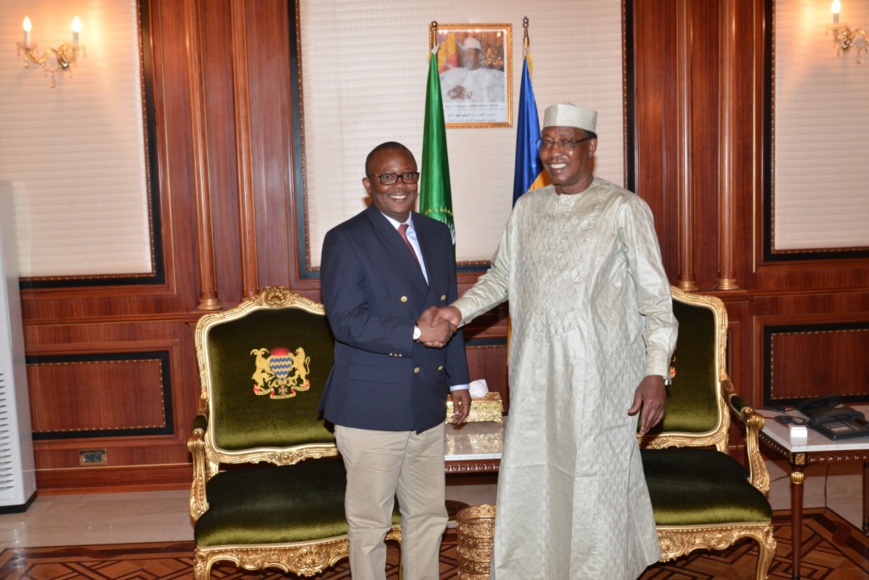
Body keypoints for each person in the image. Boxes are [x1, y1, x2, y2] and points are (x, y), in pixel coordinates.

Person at [433, 103, 678, 579]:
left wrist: (654, 370)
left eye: (567, 141)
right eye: (547, 142)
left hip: (602, 386)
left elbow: (656, 302)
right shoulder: (528, 207)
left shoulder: (624, 209)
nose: (554, 152)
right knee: (537, 484)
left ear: (591, 147)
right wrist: (455, 312)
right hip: (537, 380)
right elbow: (502, 277)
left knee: (595, 489)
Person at [319, 141, 471, 580]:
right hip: (371, 405)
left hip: (425, 401)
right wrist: (416, 333)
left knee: (428, 516)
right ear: (369, 185)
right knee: (370, 523)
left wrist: (458, 381)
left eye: (408, 175)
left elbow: (448, 311)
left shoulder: (437, 233)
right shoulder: (346, 239)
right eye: (388, 177)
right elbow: (347, 321)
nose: (400, 185)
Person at [439, 37, 505, 103]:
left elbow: (498, 93)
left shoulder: (491, 75)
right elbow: (438, 85)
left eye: (470, 54)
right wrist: (450, 91)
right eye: (465, 54)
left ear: (480, 56)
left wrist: (470, 94)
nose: (467, 57)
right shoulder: (454, 72)